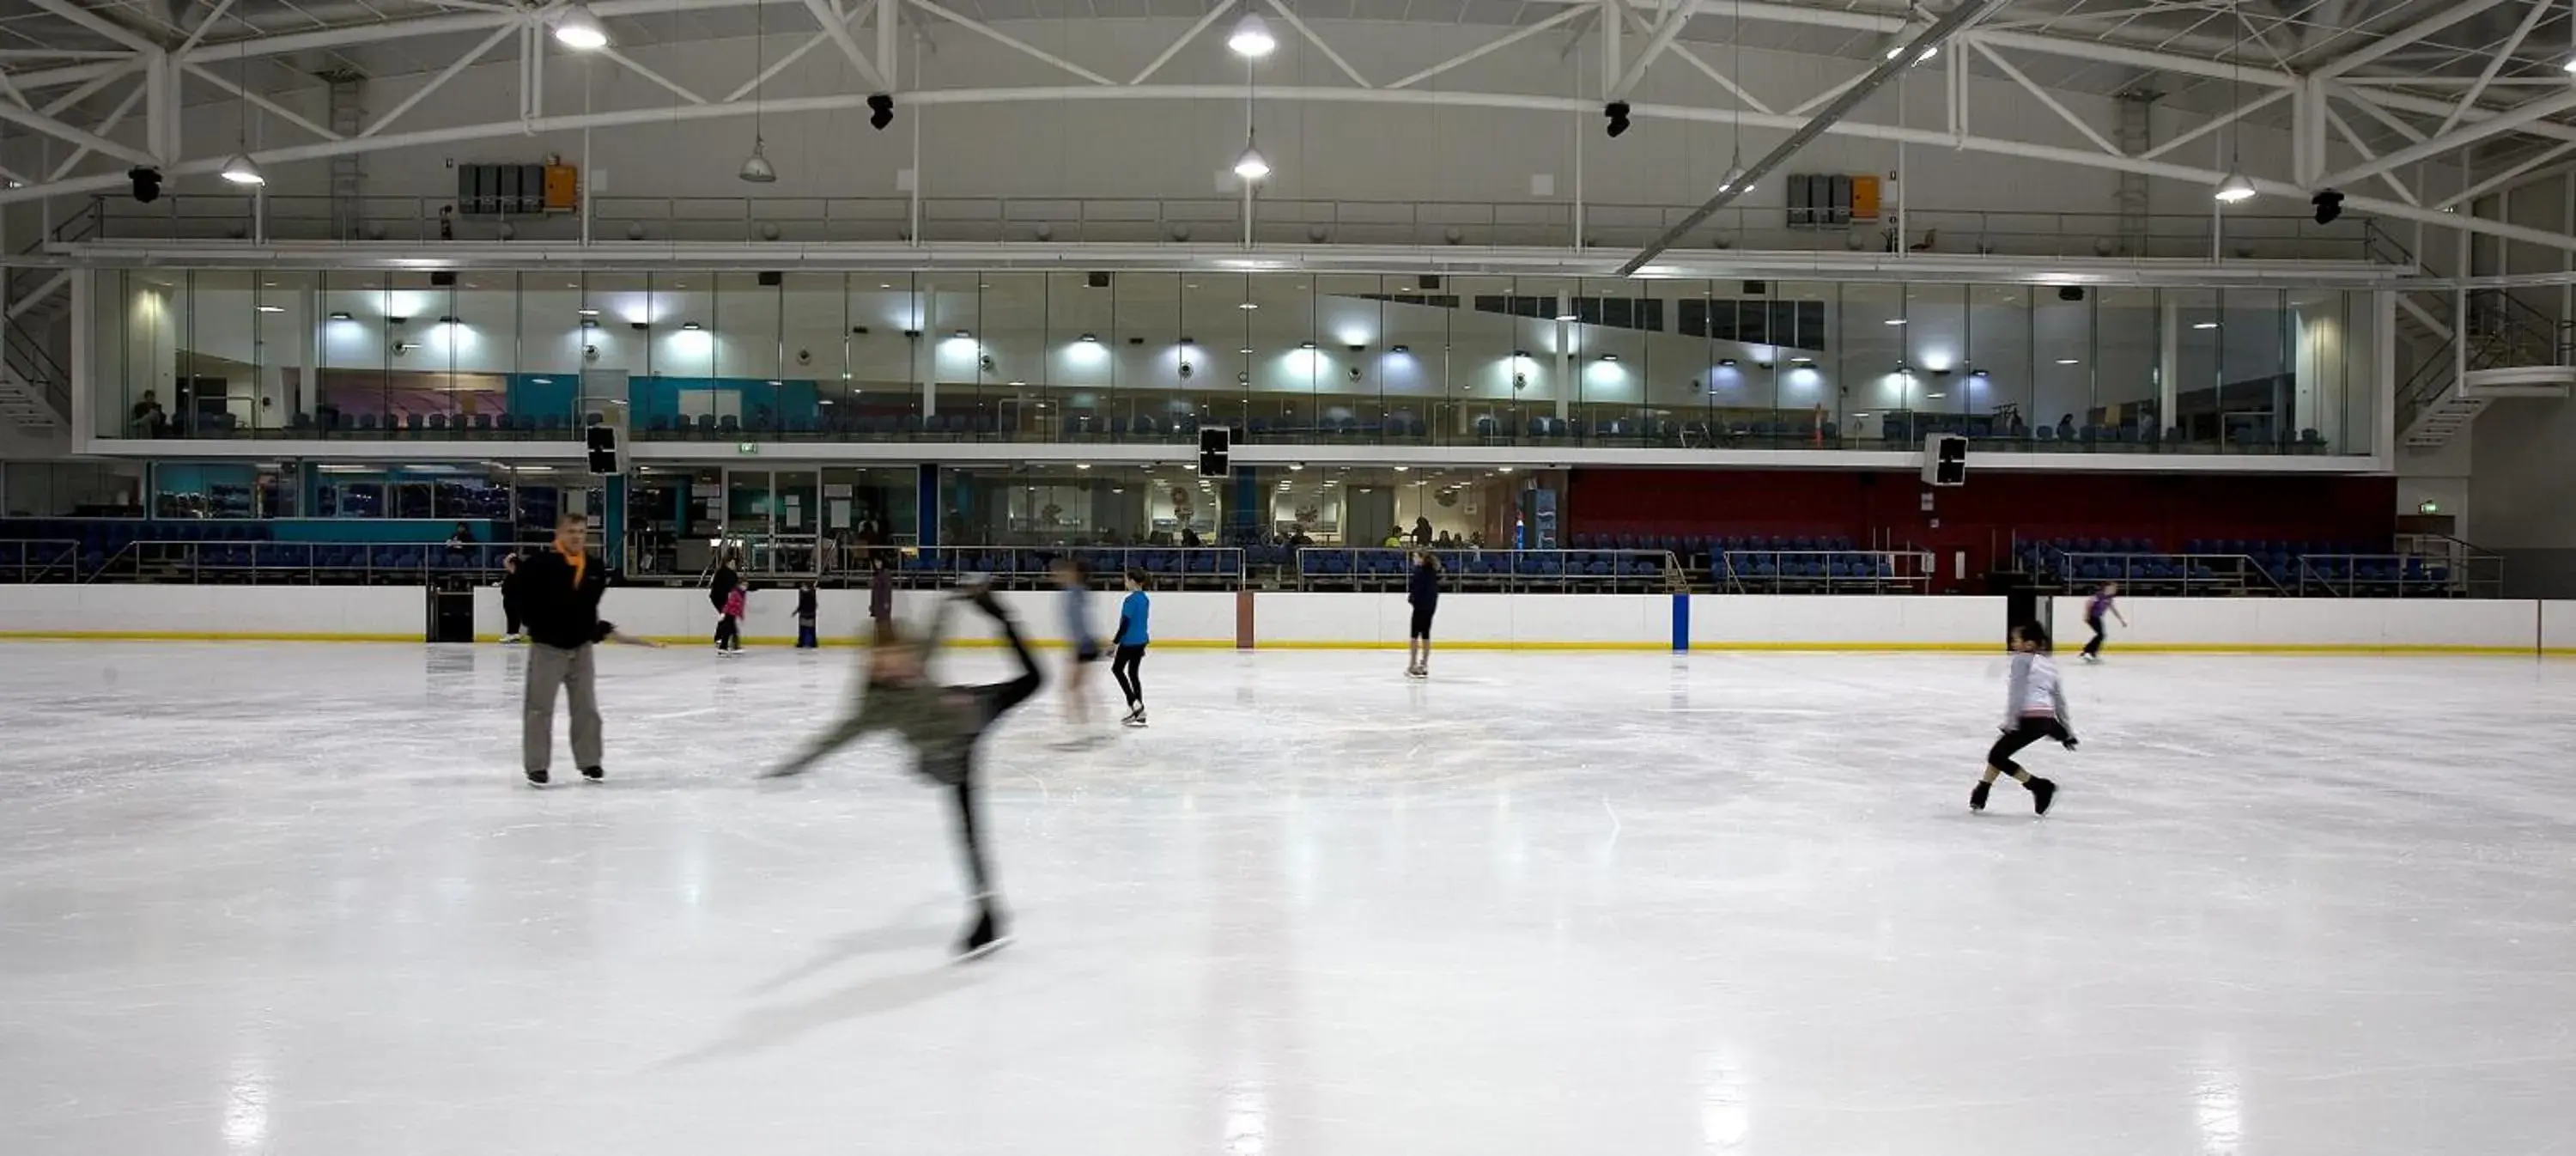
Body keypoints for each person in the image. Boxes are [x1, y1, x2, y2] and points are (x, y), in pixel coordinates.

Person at [762, 583, 1042, 959]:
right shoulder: (874, 706)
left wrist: (954, 600)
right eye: (886, 659)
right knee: (968, 831)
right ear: (872, 662)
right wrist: (795, 765)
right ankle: (987, 912)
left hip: (969, 712)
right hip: (949, 756)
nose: (901, 665)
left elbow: (937, 631)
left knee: (1033, 680)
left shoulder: (917, 657)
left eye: (903, 656)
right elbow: (835, 737)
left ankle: (1000, 617)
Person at [515, 513, 616, 788]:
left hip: (581, 648)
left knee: (586, 708)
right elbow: (522, 599)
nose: (577, 536)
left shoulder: (594, 567)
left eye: (581, 531)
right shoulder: (539, 565)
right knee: (539, 708)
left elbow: (588, 605)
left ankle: (590, 761)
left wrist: (594, 629)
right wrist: (537, 626)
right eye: (571, 531)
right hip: (547, 648)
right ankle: (537, 766)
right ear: (558, 534)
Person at [1973, 624, 2073, 816]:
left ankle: (2039, 786)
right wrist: (2066, 730)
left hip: (2029, 717)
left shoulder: (2021, 660)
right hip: (2046, 720)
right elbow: (2059, 699)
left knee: (1996, 756)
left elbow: (2017, 693)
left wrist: (2011, 721)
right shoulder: (2048, 664)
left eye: (2016, 640)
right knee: (2001, 753)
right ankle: (1983, 789)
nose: (2013, 644)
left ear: (2029, 644)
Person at [1052, 557, 1103, 739]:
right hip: (1085, 644)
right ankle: (1086, 723)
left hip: (1085, 645)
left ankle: (1082, 725)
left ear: (1076, 574)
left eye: (1069, 571)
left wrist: (1078, 646)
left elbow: (1080, 622)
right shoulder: (1074, 592)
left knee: (1072, 687)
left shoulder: (1076, 593)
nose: (1062, 574)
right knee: (1078, 687)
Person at [1110, 567, 1151, 727]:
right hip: (1141, 640)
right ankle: (1140, 712)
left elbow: (1125, 624)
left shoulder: (1130, 600)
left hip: (1129, 641)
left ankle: (1134, 703)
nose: (1125, 582)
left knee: (1117, 669)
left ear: (1133, 581)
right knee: (1133, 674)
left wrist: (1115, 643)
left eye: (1126, 579)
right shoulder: (1145, 599)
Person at [1406, 548, 1442, 679]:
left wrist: (1412, 599)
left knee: (1414, 635)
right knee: (1425, 635)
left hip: (1420, 606)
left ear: (1421, 558)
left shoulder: (1420, 572)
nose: (1413, 559)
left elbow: (1416, 590)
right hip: (1429, 607)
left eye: (1415, 557)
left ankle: (1413, 664)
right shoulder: (1432, 572)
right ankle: (1424, 664)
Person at [2081, 581, 2128, 663]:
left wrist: (2121, 620)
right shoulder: (2099, 595)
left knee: (2102, 635)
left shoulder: (2109, 598)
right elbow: (2089, 603)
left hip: (2097, 617)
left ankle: (2091, 653)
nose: (2115, 589)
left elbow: (2113, 609)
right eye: (2113, 588)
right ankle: (2087, 652)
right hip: (2092, 617)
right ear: (2107, 588)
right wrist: (2086, 615)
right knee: (2101, 635)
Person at [709, 551, 743, 654]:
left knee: (728, 620)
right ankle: (726, 644)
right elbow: (732, 587)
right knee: (729, 620)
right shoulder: (725, 573)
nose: (735, 565)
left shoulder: (727, 573)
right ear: (729, 562)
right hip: (720, 599)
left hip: (723, 599)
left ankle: (722, 640)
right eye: (734, 562)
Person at [498, 552, 526, 643]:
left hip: (512, 598)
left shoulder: (515, 572)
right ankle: (514, 633)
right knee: (513, 617)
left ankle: (511, 633)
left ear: (513, 564)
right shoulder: (517, 573)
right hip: (513, 598)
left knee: (512, 617)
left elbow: (505, 562)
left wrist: (509, 556)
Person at [718, 581, 748, 656]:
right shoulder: (735, 593)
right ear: (739, 585)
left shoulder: (742, 594)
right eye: (744, 585)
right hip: (729, 614)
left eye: (746, 585)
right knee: (729, 631)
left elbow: (740, 607)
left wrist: (741, 616)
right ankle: (725, 647)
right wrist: (724, 613)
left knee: (732, 631)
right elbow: (729, 604)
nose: (745, 587)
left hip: (733, 615)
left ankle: (732, 647)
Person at [869, 553, 895, 639]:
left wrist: (886, 601)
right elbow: (874, 591)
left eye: (879, 562)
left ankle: (886, 640)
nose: (877, 564)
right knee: (879, 623)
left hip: (883, 603)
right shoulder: (876, 574)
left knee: (884, 623)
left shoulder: (885, 573)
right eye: (876, 562)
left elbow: (887, 589)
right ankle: (880, 639)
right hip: (877, 602)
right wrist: (872, 605)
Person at [795, 580, 819, 649]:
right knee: (809, 629)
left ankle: (803, 642)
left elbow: (801, 603)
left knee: (805, 629)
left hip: (806, 613)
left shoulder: (804, 593)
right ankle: (812, 643)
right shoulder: (812, 592)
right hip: (809, 612)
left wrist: (797, 611)